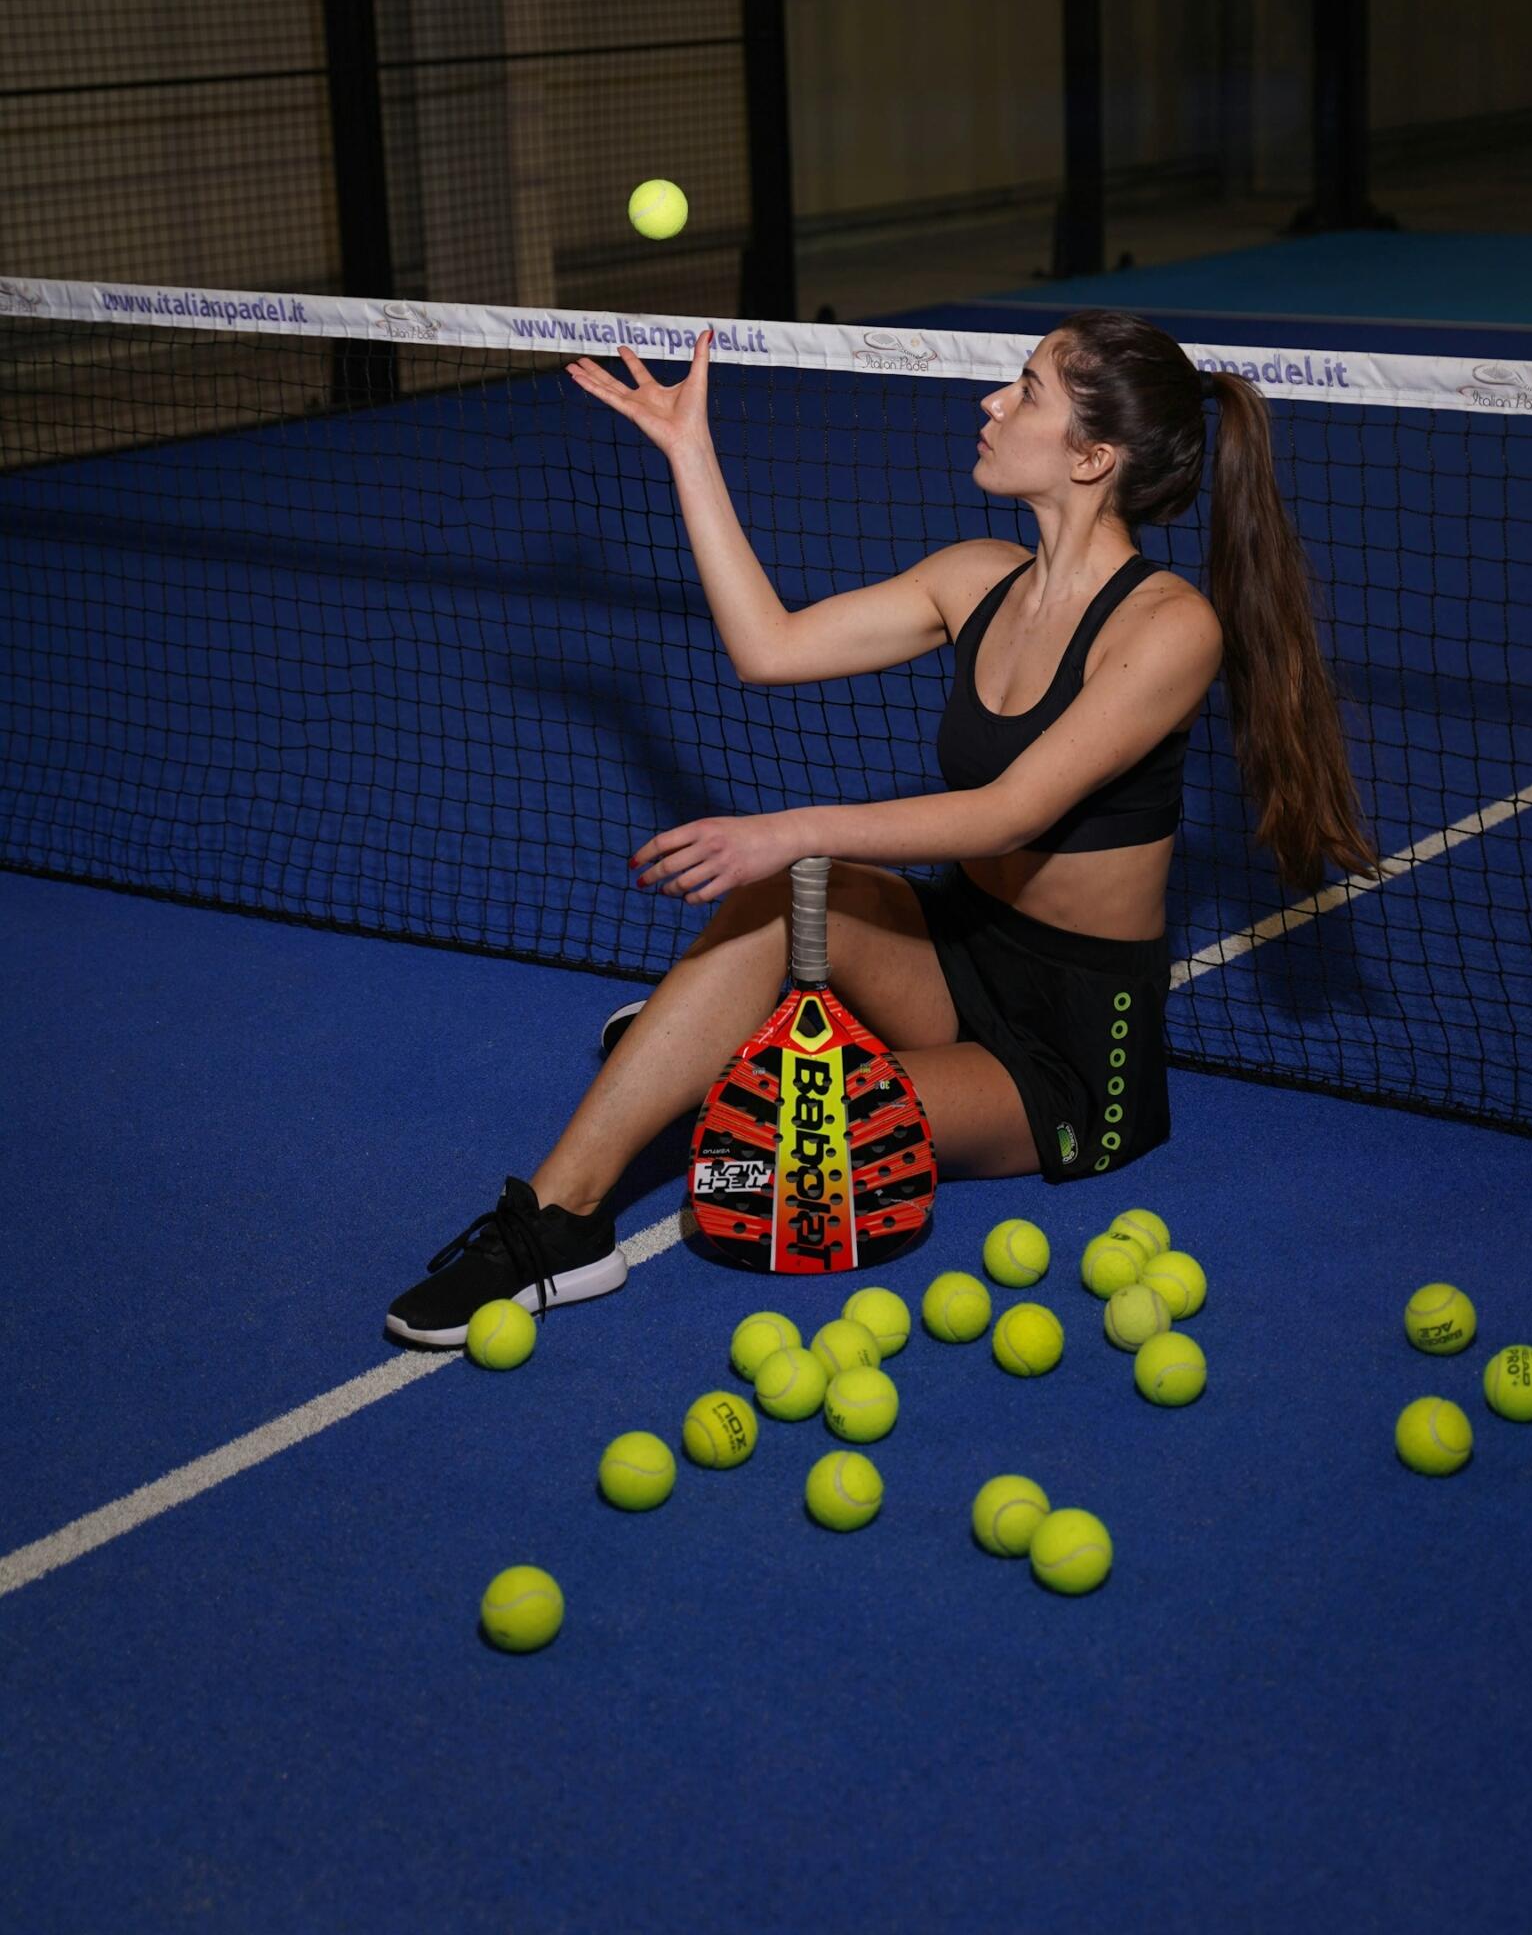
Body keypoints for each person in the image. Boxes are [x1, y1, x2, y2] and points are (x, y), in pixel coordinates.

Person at [384, 311, 1374, 1347]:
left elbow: (1011, 809)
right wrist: (690, 452)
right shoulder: (974, 576)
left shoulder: (1169, 626)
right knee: (783, 896)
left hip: (1069, 1044)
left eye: (1027, 389)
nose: (993, 402)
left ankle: (699, 1053)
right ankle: (560, 1226)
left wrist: (787, 827)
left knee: (798, 1133)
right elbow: (768, 648)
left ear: (1092, 457)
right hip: (953, 950)